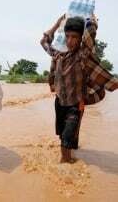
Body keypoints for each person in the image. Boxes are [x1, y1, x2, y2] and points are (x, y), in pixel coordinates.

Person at [40, 14, 118, 163]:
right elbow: (44, 41)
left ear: (80, 38)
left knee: (68, 134)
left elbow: (90, 31)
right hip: (60, 102)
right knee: (64, 134)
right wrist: (57, 24)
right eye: (67, 36)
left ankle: (65, 163)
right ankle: (69, 154)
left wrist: (90, 19)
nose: (70, 41)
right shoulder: (57, 54)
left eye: (74, 37)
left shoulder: (82, 54)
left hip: (76, 104)